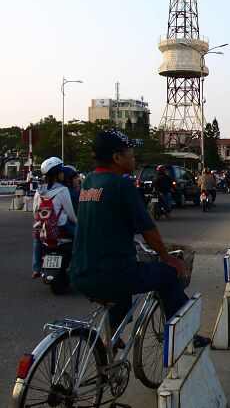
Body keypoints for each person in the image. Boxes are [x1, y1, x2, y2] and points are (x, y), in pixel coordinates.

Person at [69, 129, 209, 348]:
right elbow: (147, 229)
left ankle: (109, 341)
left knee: (121, 298)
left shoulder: (89, 182)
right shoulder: (121, 184)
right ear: (117, 157)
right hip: (112, 273)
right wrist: (168, 258)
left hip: (79, 272)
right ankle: (184, 336)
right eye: (129, 152)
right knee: (170, 275)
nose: (133, 156)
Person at [31, 157, 78, 279]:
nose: (63, 174)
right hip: (62, 225)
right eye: (61, 172)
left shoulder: (39, 191)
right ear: (56, 174)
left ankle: (36, 268)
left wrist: (40, 223)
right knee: (80, 237)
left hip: (43, 225)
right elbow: (70, 213)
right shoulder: (63, 190)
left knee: (37, 240)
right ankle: (78, 267)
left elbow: (35, 212)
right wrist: (78, 223)